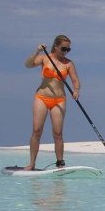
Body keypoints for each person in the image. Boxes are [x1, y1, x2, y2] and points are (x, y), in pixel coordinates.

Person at [24, 35, 81, 169]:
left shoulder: (68, 63)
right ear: (56, 46)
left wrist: (76, 90)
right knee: (37, 131)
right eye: (63, 48)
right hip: (42, 98)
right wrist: (37, 51)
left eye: (68, 49)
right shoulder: (45, 58)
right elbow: (28, 65)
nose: (65, 51)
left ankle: (60, 163)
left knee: (58, 133)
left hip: (59, 100)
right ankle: (32, 163)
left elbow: (75, 81)